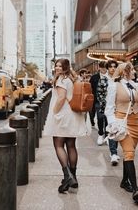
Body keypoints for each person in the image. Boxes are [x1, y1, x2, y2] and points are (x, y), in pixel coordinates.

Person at [105, 62, 138, 202]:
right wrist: (114, 124)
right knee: (129, 152)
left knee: (129, 153)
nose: (134, 72)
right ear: (125, 72)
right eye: (132, 70)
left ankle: (125, 181)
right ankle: (136, 189)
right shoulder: (114, 86)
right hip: (122, 123)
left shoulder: (137, 86)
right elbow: (109, 108)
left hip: (136, 123)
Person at [44, 59, 90, 193]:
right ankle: (72, 177)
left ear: (65, 67)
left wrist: (53, 112)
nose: (58, 68)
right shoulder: (70, 79)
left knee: (58, 145)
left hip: (62, 116)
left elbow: (61, 98)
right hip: (72, 116)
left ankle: (67, 176)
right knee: (71, 145)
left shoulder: (60, 80)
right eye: (56, 65)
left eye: (60, 66)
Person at [96, 60, 119, 165]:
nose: (113, 68)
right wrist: (104, 106)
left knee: (117, 130)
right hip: (108, 110)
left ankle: (114, 151)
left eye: (115, 67)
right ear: (108, 68)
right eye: (111, 67)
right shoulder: (103, 80)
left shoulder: (119, 80)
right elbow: (99, 95)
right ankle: (113, 153)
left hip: (118, 109)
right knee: (112, 130)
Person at [89, 61, 107, 129]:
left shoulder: (110, 77)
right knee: (100, 117)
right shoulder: (94, 77)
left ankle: (106, 132)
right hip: (97, 100)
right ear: (99, 68)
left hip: (108, 100)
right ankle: (101, 132)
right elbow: (90, 88)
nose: (104, 69)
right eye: (102, 67)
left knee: (106, 118)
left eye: (105, 67)